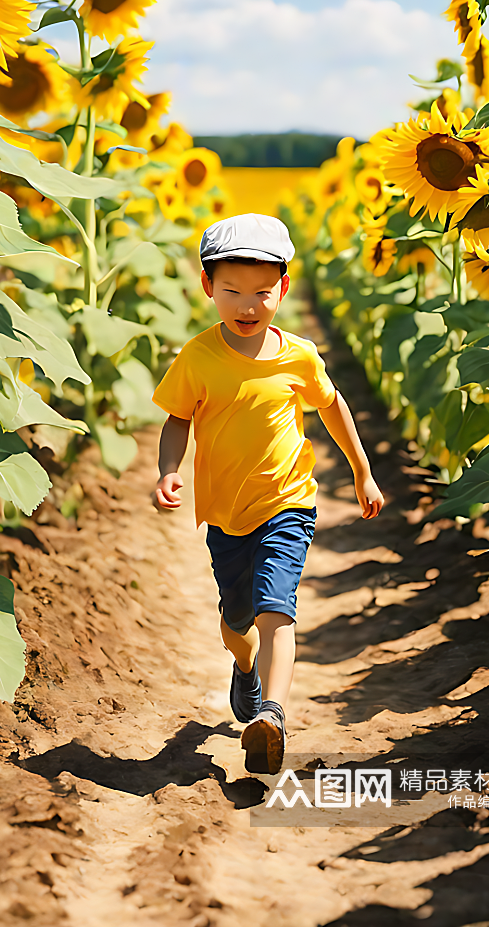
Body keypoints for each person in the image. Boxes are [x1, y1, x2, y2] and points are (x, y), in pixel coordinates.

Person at [152, 212, 384, 774]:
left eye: (262, 292)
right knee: (239, 622)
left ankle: (273, 716)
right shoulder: (198, 358)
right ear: (208, 287)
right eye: (232, 291)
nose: (247, 305)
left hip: (288, 504)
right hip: (224, 515)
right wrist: (167, 470)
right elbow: (177, 419)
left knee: (277, 609)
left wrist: (361, 470)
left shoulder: (299, 355)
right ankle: (245, 670)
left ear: (283, 287)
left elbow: (332, 406)